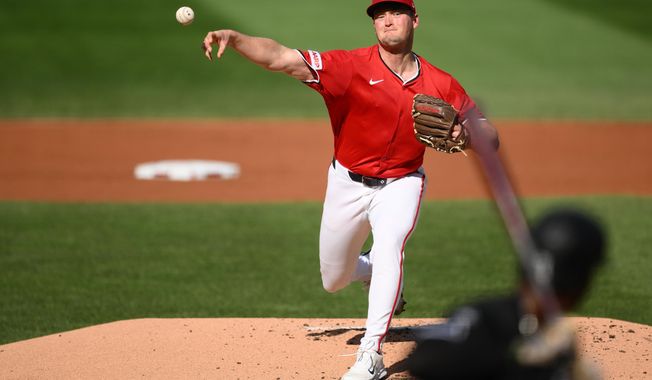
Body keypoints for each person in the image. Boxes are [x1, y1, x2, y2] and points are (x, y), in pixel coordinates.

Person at [202, 1, 498, 379]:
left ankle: (371, 354)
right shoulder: (349, 66)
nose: (387, 19)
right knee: (334, 279)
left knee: (392, 244)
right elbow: (280, 57)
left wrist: (467, 133)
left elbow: (489, 133)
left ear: (415, 20)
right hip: (347, 182)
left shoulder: (441, 83)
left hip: (402, 182)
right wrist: (236, 38)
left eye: (396, 12)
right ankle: (369, 268)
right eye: (379, 14)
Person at [406, 208, 607, 380]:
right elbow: (423, 360)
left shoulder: (558, 343)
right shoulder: (487, 318)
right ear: (579, 282)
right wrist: (515, 359)